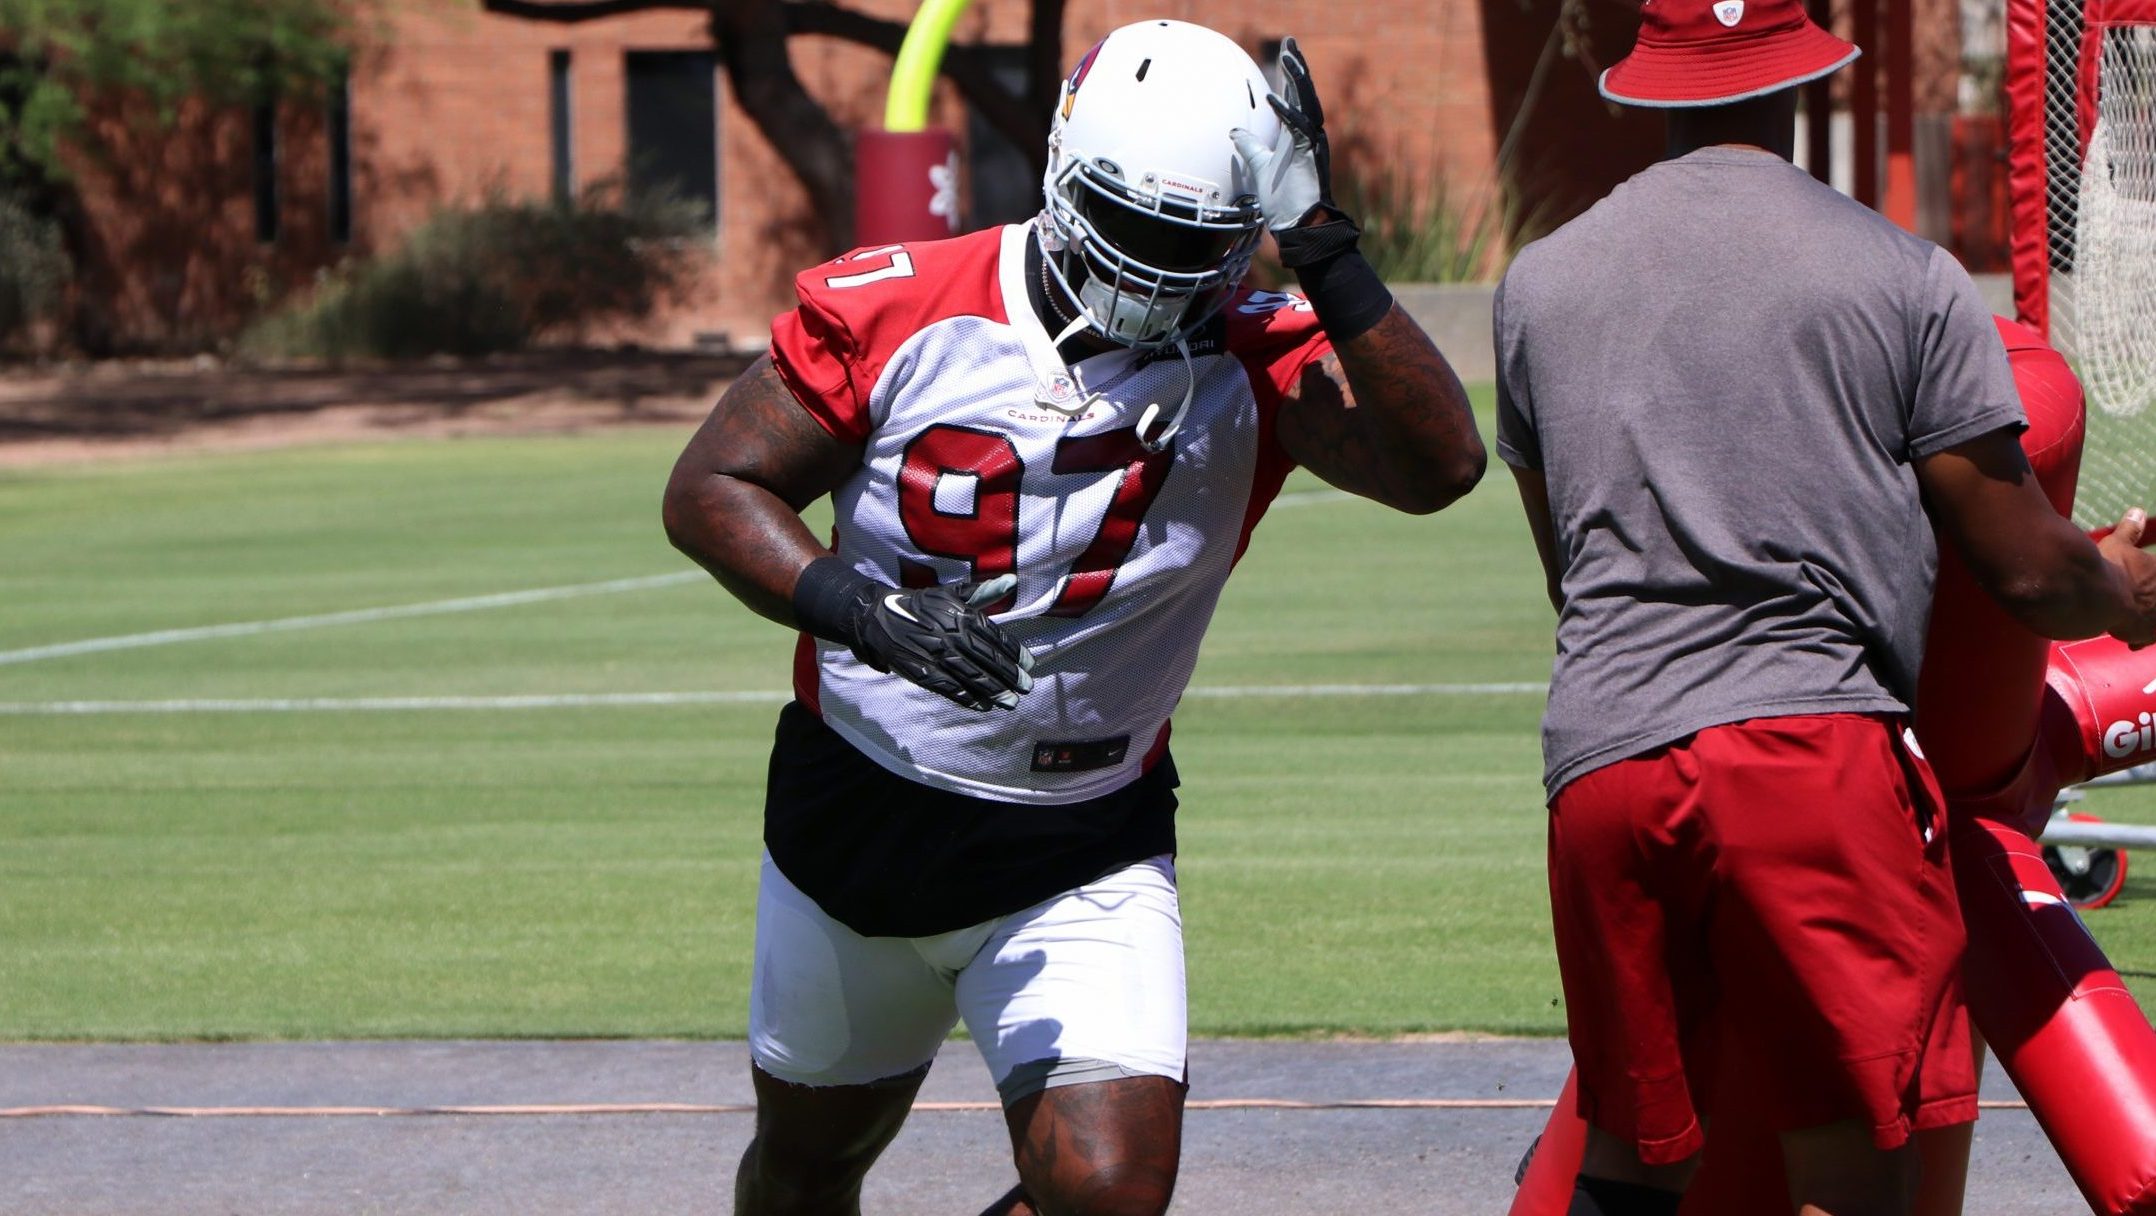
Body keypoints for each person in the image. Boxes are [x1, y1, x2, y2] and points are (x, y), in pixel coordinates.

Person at [662, 19, 1484, 1216]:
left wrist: (1319, 241)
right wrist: (863, 609)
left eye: (1192, 240)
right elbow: (710, 488)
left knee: (1109, 1191)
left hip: (1085, 834)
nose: (1156, 268)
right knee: (807, 1165)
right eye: (1135, 225)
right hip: (865, 805)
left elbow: (1439, 465)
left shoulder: (1253, 351)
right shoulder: (903, 309)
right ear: (1058, 170)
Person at [1491, 1, 2156, 1213]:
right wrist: (2122, 585)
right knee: (1851, 1170)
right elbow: (2017, 568)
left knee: (1628, 1162)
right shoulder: (1899, 275)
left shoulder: (1536, 284)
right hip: (1806, 756)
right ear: (1800, 78)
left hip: (1600, 769)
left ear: (1650, 80)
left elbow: (1570, 571)